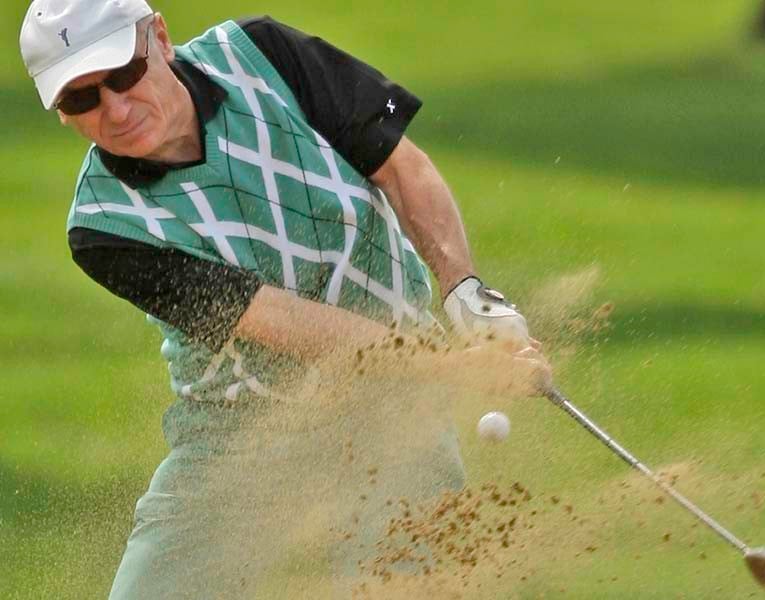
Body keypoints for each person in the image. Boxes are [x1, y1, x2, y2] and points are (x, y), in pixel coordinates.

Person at [20, 1, 551, 597]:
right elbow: (282, 322)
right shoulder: (104, 227)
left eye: (122, 74)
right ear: (61, 114)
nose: (114, 109)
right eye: (81, 98)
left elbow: (400, 169)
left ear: (160, 40)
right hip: (239, 436)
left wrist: (465, 293)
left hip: (395, 408)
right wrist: (456, 367)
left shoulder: (262, 54)